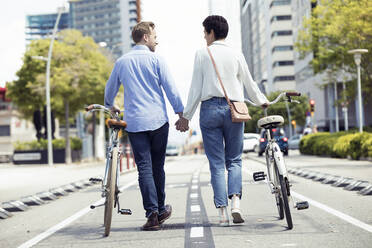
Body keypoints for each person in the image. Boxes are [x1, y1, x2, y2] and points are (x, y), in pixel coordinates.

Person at [176, 15, 268, 226]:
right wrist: (261, 101)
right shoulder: (237, 53)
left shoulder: (202, 54)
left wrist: (186, 117)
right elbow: (249, 82)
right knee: (234, 160)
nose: (204, 37)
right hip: (234, 109)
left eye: (204, 33)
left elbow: (195, 89)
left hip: (209, 110)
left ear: (211, 32)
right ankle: (236, 202)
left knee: (216, 164)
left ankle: (222, 213)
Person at [104, 21, 184, 231]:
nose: (157, 39)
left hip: (135, 123)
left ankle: (153, 214)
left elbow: (109, 91)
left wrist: (111, 105)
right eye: (154, 35)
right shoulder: (157, 59)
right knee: (157, 166)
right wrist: (181, 113)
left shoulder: (121, 62)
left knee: (144, 168)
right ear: (145, 37)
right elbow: (171, 89)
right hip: (158, 121)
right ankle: (160, 207)